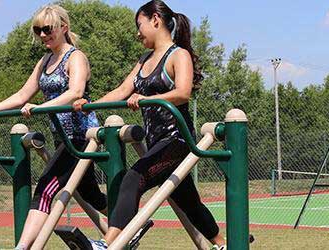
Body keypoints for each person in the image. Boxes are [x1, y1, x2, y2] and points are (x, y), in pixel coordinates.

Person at [72, 1, 225, 249]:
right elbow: (122, 90)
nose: (137, 32)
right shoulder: (144, 60)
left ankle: (108, 244)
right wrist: (89, 105)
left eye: (139, 25)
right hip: (157, 144)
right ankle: (223, 244)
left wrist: (147, 99)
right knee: (189, 203)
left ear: (155, 20)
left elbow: (183, 92)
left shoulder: (178, 55)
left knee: (132, 179)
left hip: (177, 141)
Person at [0, 5, 107, 250]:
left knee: (45, 189)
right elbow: (22, 94)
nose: (42, 35)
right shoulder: (45, 61)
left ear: (63, 27)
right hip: (62, 137)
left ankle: (22, 248)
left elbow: (75, 92)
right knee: (91, 195)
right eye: (37, 30)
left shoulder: (75, 57)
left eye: (47, 29)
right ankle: (127, 218)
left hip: (81, 136)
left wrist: (41, 107)